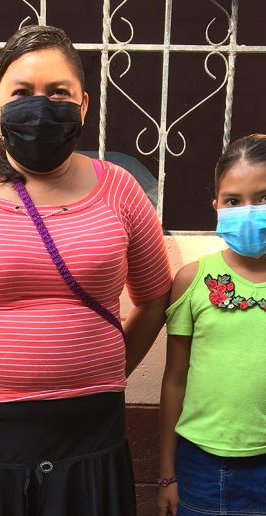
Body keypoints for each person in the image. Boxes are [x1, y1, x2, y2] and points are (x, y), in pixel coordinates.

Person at [0, 24, 172, 516]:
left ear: (84, 105)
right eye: (22, 92)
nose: (41, 105)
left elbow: (155, 298)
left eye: (58, 92)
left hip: (93, 426)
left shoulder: (120, 188)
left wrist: (111, 368)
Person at [158, 134, 266, 516]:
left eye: (263, 198)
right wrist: (167, 474)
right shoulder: (192, 280)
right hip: (200, 468)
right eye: (233, 201)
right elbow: (174, 380)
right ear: (216, 207)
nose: (249, 210)